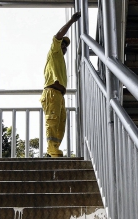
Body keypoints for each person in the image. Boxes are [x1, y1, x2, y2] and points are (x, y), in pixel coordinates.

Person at [41, 11, 81, 157]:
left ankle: (55, 149)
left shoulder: (60, 60)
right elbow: (58, 35)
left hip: (59, 95)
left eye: (66, 46)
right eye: (62, 44)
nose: (64, 47)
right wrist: (71, 21)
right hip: (52, 92)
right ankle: (51, 149)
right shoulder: (54, 51)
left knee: (60, 123)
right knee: (52, 121)